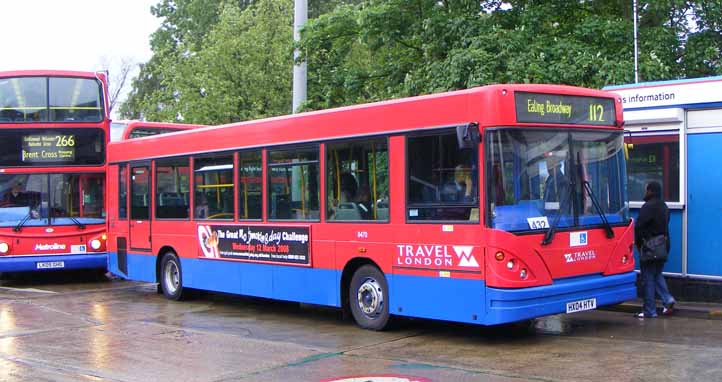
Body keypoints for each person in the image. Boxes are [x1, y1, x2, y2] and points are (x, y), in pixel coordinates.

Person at [635, 181, 675, 319]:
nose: (645, 192)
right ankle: (667, 299)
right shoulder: (664, 206)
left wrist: (639, 245)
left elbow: (639, 227)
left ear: (650, 191)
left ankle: (649, 311)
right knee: (657, 274)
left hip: (649, 248)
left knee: (648, 279)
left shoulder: (647, 207)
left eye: (647, 189)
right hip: (663, 247)